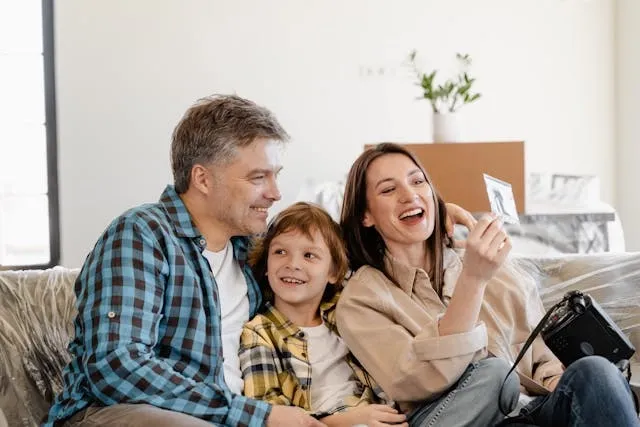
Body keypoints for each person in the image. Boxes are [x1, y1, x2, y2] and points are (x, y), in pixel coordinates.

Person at [44, 95, 325, 427]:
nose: (276, 193)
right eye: (257, 178)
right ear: (203, 179)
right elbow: (115, 367)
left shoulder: (253, 250)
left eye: (275, 175)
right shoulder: (143, 234)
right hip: (114, 413)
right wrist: (256, 415)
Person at [336, 142, 640, 427]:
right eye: (388, 189)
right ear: (365, 215)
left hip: (533, 408)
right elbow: (416, 381)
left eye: (417, 182)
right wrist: (473, 280)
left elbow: (541, 356)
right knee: (495, 375)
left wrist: (563, 384)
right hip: (463, 416)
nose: (409, 195)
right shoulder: (361, 299)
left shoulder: (495, 268)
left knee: (596, 371)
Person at [239, 201, 408, 427]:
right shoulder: (260, 332)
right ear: (266, 264)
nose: (293, 264)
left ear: (334, 272)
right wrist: (349, 420)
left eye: (309, 255)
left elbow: (382, 257)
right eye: (280, 252)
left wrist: (443, 216)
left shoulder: (345, 310)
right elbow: (269, 413)